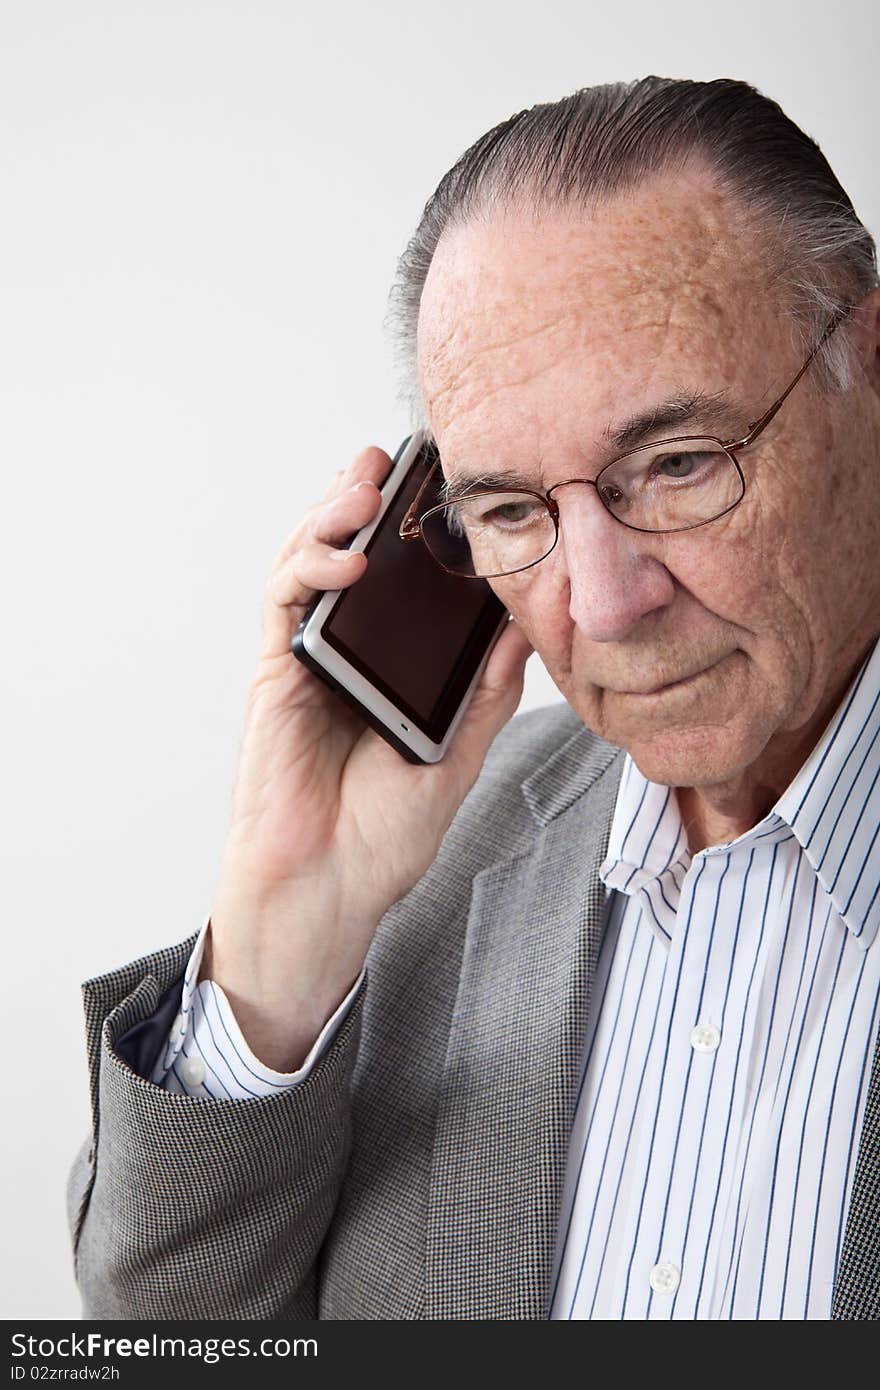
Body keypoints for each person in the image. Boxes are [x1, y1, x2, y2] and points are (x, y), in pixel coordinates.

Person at [68, 76, 880, 1320]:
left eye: (676, 464)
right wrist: (285, 937)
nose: (600, 603)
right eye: (512, 511)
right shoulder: (418, 870)